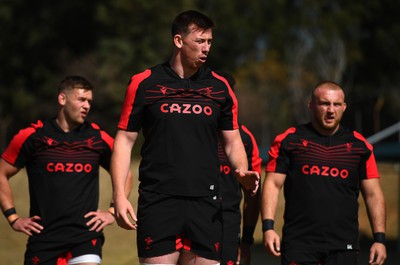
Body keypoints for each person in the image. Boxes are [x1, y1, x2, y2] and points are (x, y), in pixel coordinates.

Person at [110, 10, 260, 265]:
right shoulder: (144, 83)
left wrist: (241, 171)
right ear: (178, 41)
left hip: (207, 203)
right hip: (158, 200)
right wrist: (119, 195)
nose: (206, 48)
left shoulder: (220, 87)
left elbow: (233, 140)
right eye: (199, 41)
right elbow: (124, 141)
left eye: (209, 42)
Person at [0, 76, 132, 265]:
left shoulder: (97, 138)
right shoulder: (33, 136)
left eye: (89, 101)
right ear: (62, 99)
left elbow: (126, 172)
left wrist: (111, 211)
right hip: (44, 239)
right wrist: (13, 218)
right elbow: (1, 173)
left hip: (85, 237)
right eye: (81, 100)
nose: (87, 106)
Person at [261, 81, 387, 265]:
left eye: (336, 104)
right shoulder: (289, 140)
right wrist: (268, 228)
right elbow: (272, 184)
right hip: (299, 244)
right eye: (324, 103)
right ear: (311, 105)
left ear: (344, 107)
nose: (330, 110)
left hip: (343, 245)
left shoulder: (360, 146)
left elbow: (373, 194)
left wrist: (380, 239)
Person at [215, 72, 262, 265]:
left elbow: (253, 194)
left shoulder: (245, 139)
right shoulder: (189, 133)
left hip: (228, 225)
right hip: (190, 221)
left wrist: (247, 242)